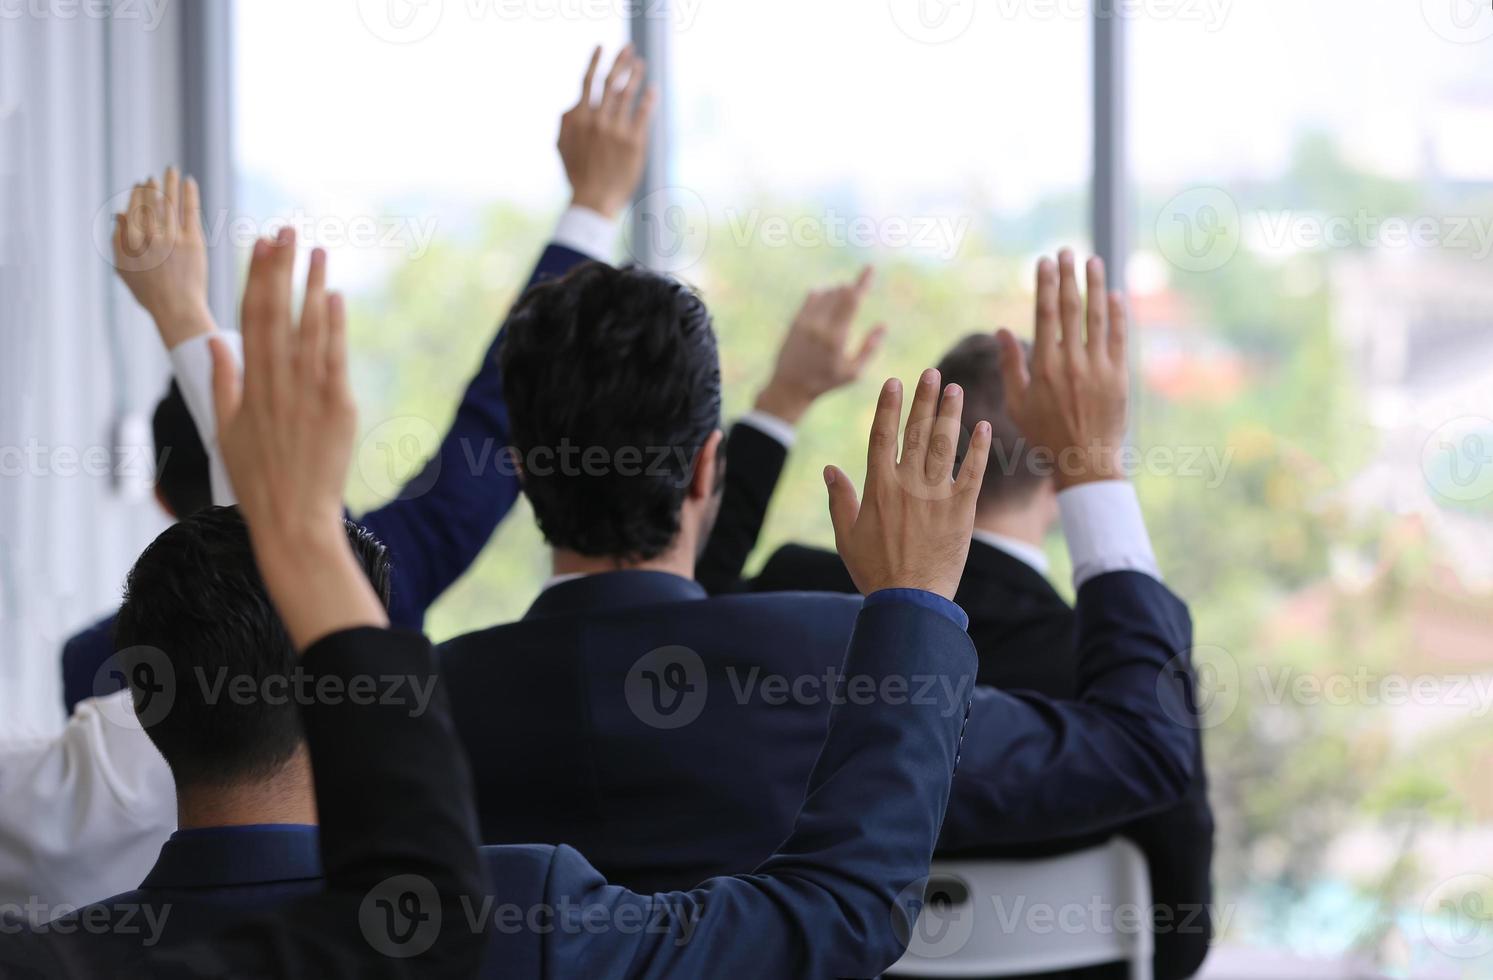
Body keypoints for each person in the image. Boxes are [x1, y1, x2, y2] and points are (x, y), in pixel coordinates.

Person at [6, 227, 992, 980]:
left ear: (138, 702)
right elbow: (834, 913)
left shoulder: (53, 957)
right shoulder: (502, 912)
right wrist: (906, 603)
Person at [3, 42, 654, 914]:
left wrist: (188, 324)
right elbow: (490, 430)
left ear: (161, 499)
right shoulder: (387, 573)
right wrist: (592, 206)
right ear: (308, 461)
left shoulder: (100, 677)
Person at [430, 247, 1202, 893]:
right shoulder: (831, 659)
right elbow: (1140, 750)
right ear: (708, 470)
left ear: (523, 472)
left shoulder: (420, 709)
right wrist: (1092, 466)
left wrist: (781, 403)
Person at [707, 330, 1216, 980]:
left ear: (933, 447)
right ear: (1054, 474)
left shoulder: (795, 600)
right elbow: (1182, 930)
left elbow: (682, 606)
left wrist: (781, 400)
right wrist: (1092, 469)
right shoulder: (1120, 678)